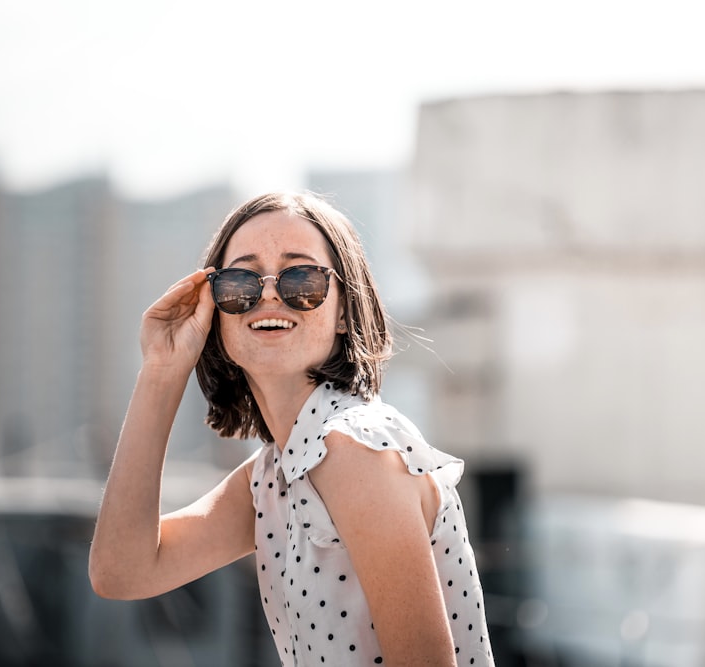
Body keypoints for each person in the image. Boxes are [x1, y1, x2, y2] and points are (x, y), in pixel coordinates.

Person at [89, 192, 494, 666]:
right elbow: (123, 572)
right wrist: (161, 371)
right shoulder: (274, 476)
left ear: (344, 311)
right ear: (216, 312)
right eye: (239, 282)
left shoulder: (353, 448)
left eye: (302, 277)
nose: (269, 294)